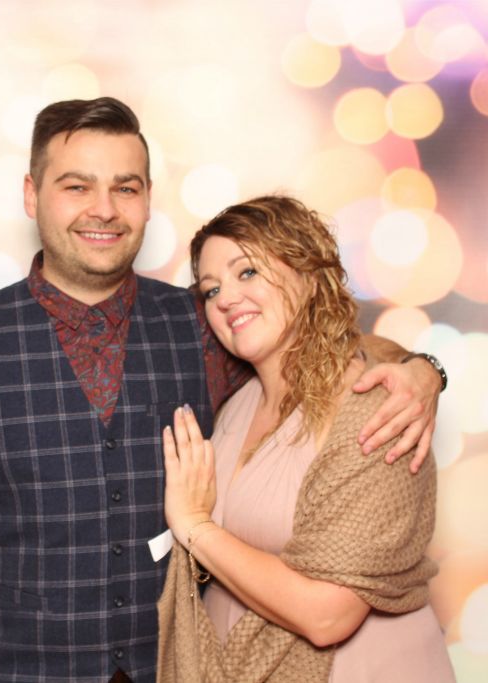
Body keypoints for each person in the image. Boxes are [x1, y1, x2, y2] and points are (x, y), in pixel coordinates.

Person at [0, 98, 447, 682]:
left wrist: (421, 370)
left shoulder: (207, 322)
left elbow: (320, 343)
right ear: (31, 194)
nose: (104, 209)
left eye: (125, 188)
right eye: (77, 186)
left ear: (148, 199)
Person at [157, 195, 454, 682]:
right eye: (211, 290)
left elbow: (328, 615)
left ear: (308, 274)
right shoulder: (235, 405)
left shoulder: (377, 409)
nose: (226, 298)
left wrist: (193, 525)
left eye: (247, 272)